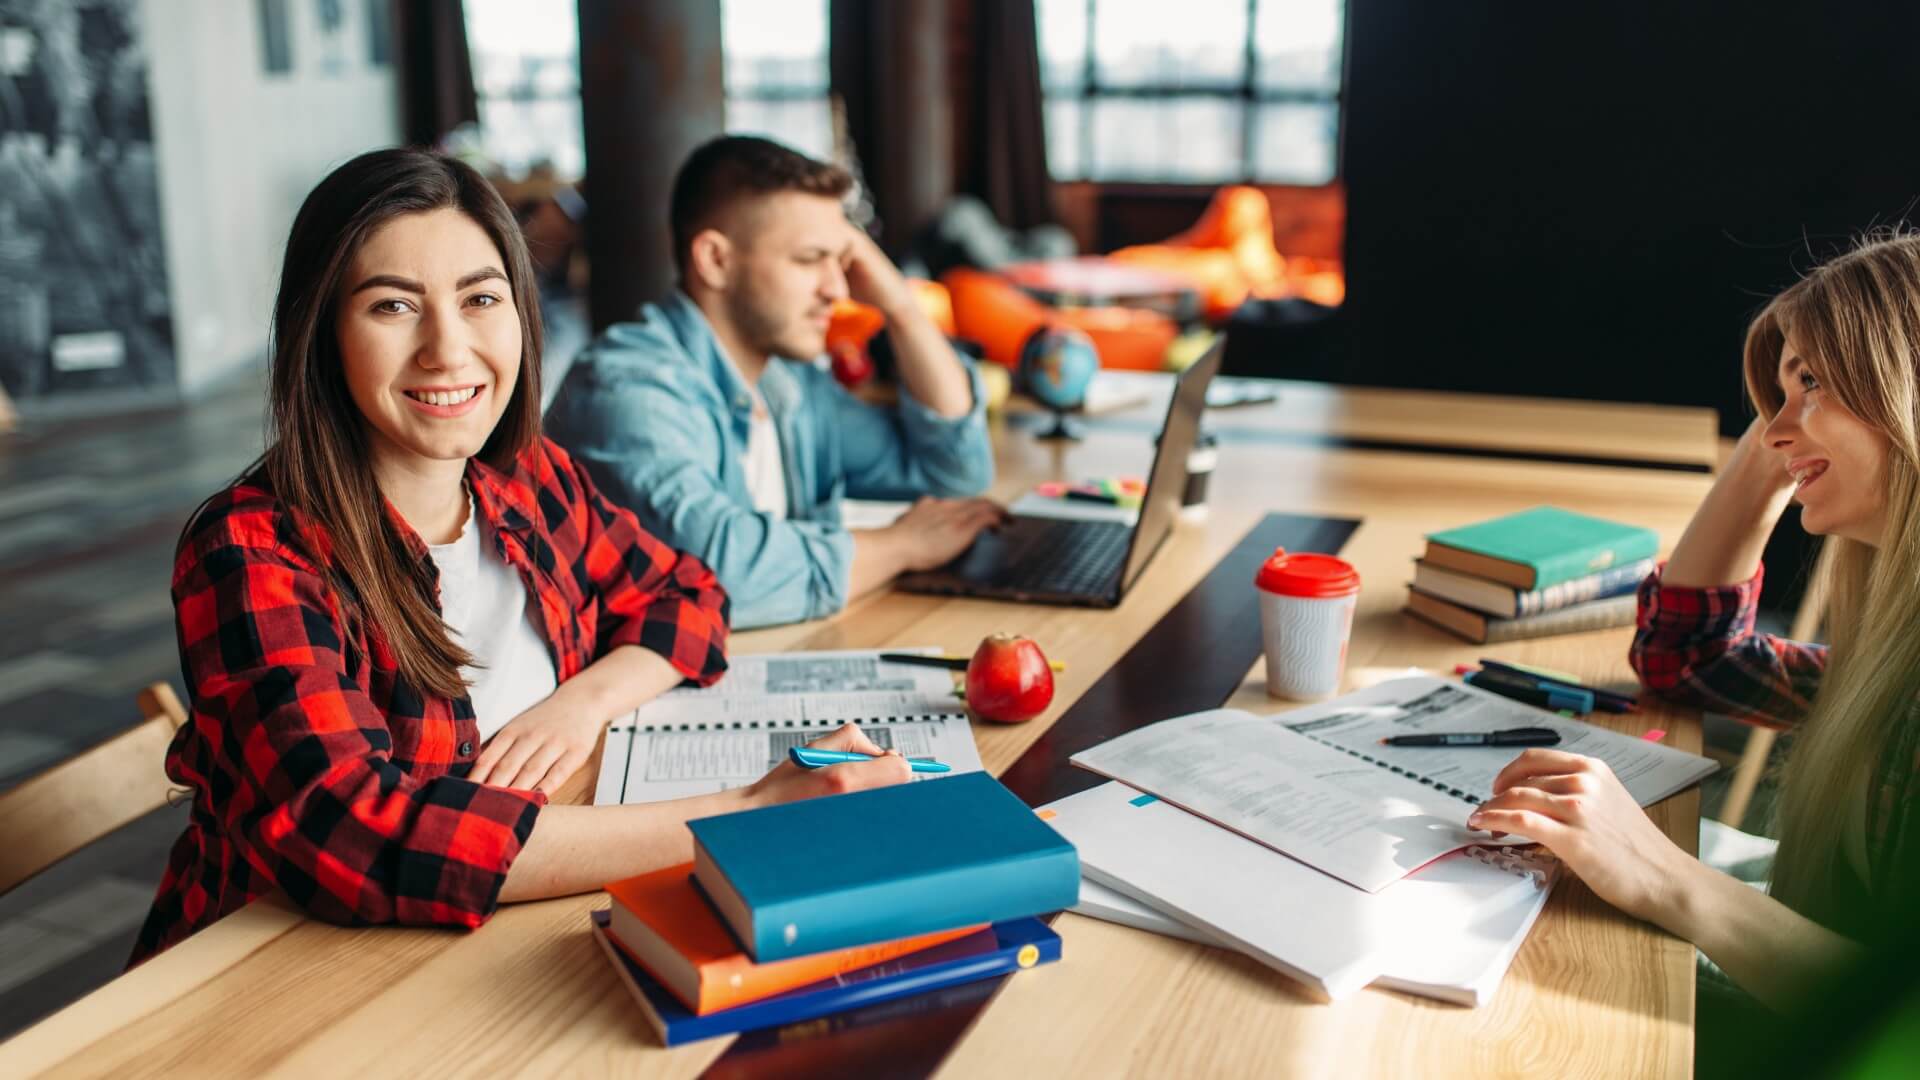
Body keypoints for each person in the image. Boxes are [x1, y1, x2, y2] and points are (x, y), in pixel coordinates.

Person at [132, 149, 909, 965]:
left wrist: (582, 703)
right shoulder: (253, 549)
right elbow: (360, 836)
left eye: (480, 299)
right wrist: (748, 812)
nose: (447, 349)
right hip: (271, 974)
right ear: (320, 330)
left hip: (484, 938)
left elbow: (687, 594)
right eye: (393, 306)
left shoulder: (523, 477)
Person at [1466, 233, 1920, 1013]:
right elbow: (1693, 658)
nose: (1774, 430)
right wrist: (1794, 425)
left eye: (1812, 382)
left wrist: (1664, 875)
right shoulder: (1892, 660)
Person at [545, 135, 1004, 630]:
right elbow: (719, 577)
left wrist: (901, 307)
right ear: (716, 260)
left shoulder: (788, 383)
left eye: (842, 260)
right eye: (809, 259)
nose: (838, 288)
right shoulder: (626, 388)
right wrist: (902, 546)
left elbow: (953, 473)